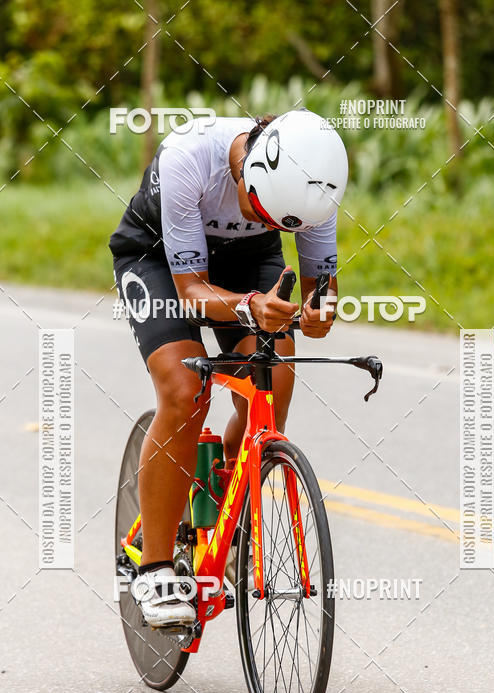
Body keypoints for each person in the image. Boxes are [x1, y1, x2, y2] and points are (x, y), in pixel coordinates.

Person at [109, 108, 348, 626]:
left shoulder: (315, 185)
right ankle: (153, 567)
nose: (267, 224)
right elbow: (191, 292)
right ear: (247, 173)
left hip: (250, 261)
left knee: (273, 386)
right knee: (185, 389)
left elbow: (322, 291)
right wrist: (248, 307)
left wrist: (319, 313)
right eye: (260, 212)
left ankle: (223, 505)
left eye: (281, 224)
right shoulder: (188, 158)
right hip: (159, 260)